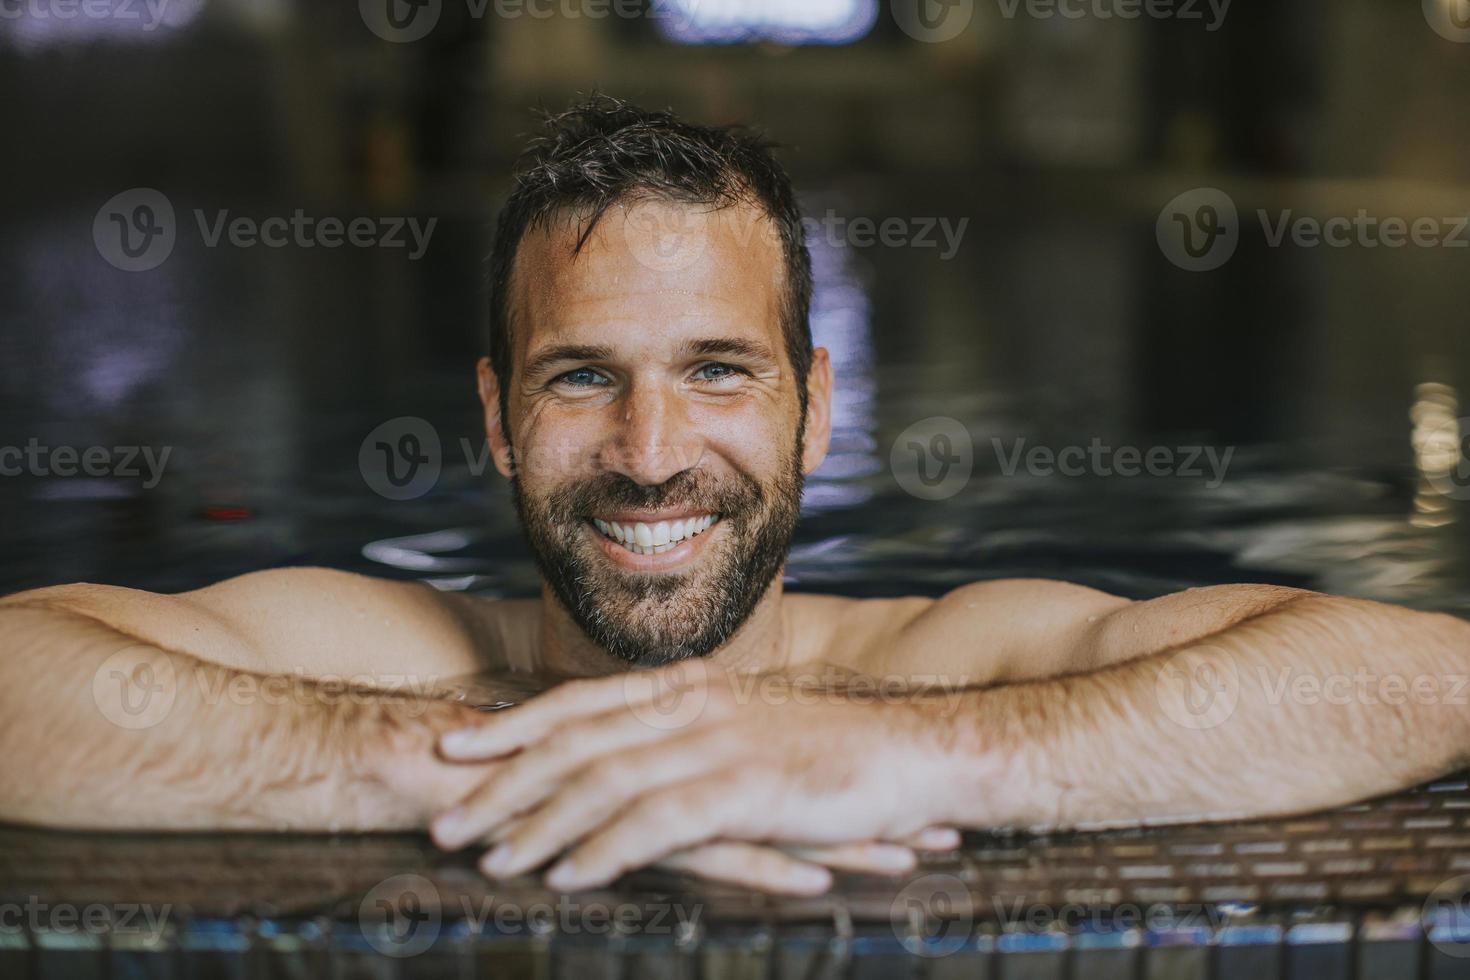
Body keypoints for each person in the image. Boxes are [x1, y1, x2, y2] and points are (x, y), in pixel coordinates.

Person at [3, 96, 1467, 897]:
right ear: (497, 422)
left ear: (815, 408)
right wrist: (476, 763)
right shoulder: (384, 655)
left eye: (716, 370)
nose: (650, 451)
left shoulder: (937, 668)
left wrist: (936, 760)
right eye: (580, 377)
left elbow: (1433, 681)